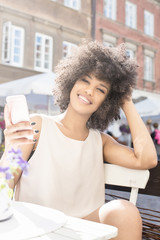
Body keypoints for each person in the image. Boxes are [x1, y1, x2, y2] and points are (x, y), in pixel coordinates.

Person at [0, 41, 157, 240]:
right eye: (85, 80)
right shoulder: (37, 126)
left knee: (125, 211)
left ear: (107, 102)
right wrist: (9, 150)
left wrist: (125, 100)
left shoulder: (101, 141)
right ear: (72, 80)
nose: (89, 91)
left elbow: (147, 159)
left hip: (85, 229)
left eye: (101, 89)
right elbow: (5, 184)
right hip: (39, 229)